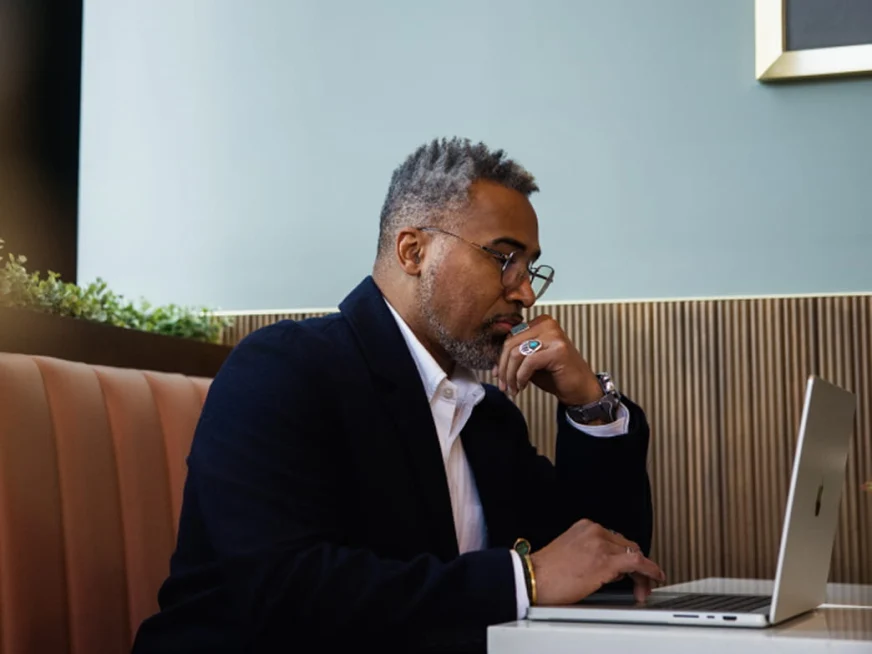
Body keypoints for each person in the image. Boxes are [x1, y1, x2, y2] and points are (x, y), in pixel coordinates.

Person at [131, 137, 665, 654]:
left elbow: (608, 560)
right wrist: (524, 577)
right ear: (413, 251)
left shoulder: (487, 416)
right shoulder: (283, 368)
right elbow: (286, 593)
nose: (524, 292)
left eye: (530, 268)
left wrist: (588, 403)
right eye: (505, 259)